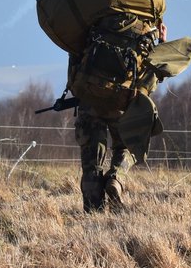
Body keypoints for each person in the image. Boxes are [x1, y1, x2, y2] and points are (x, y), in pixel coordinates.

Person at [72, 17, 168, 213]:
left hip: (90, 100)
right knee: (127, 147)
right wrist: (162, 41)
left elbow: (74, 55)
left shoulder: (95, 20)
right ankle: (116, 178)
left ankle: (93, 218)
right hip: (125, 102)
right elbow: (158, 69)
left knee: (92, 164)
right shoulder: (146, 28)